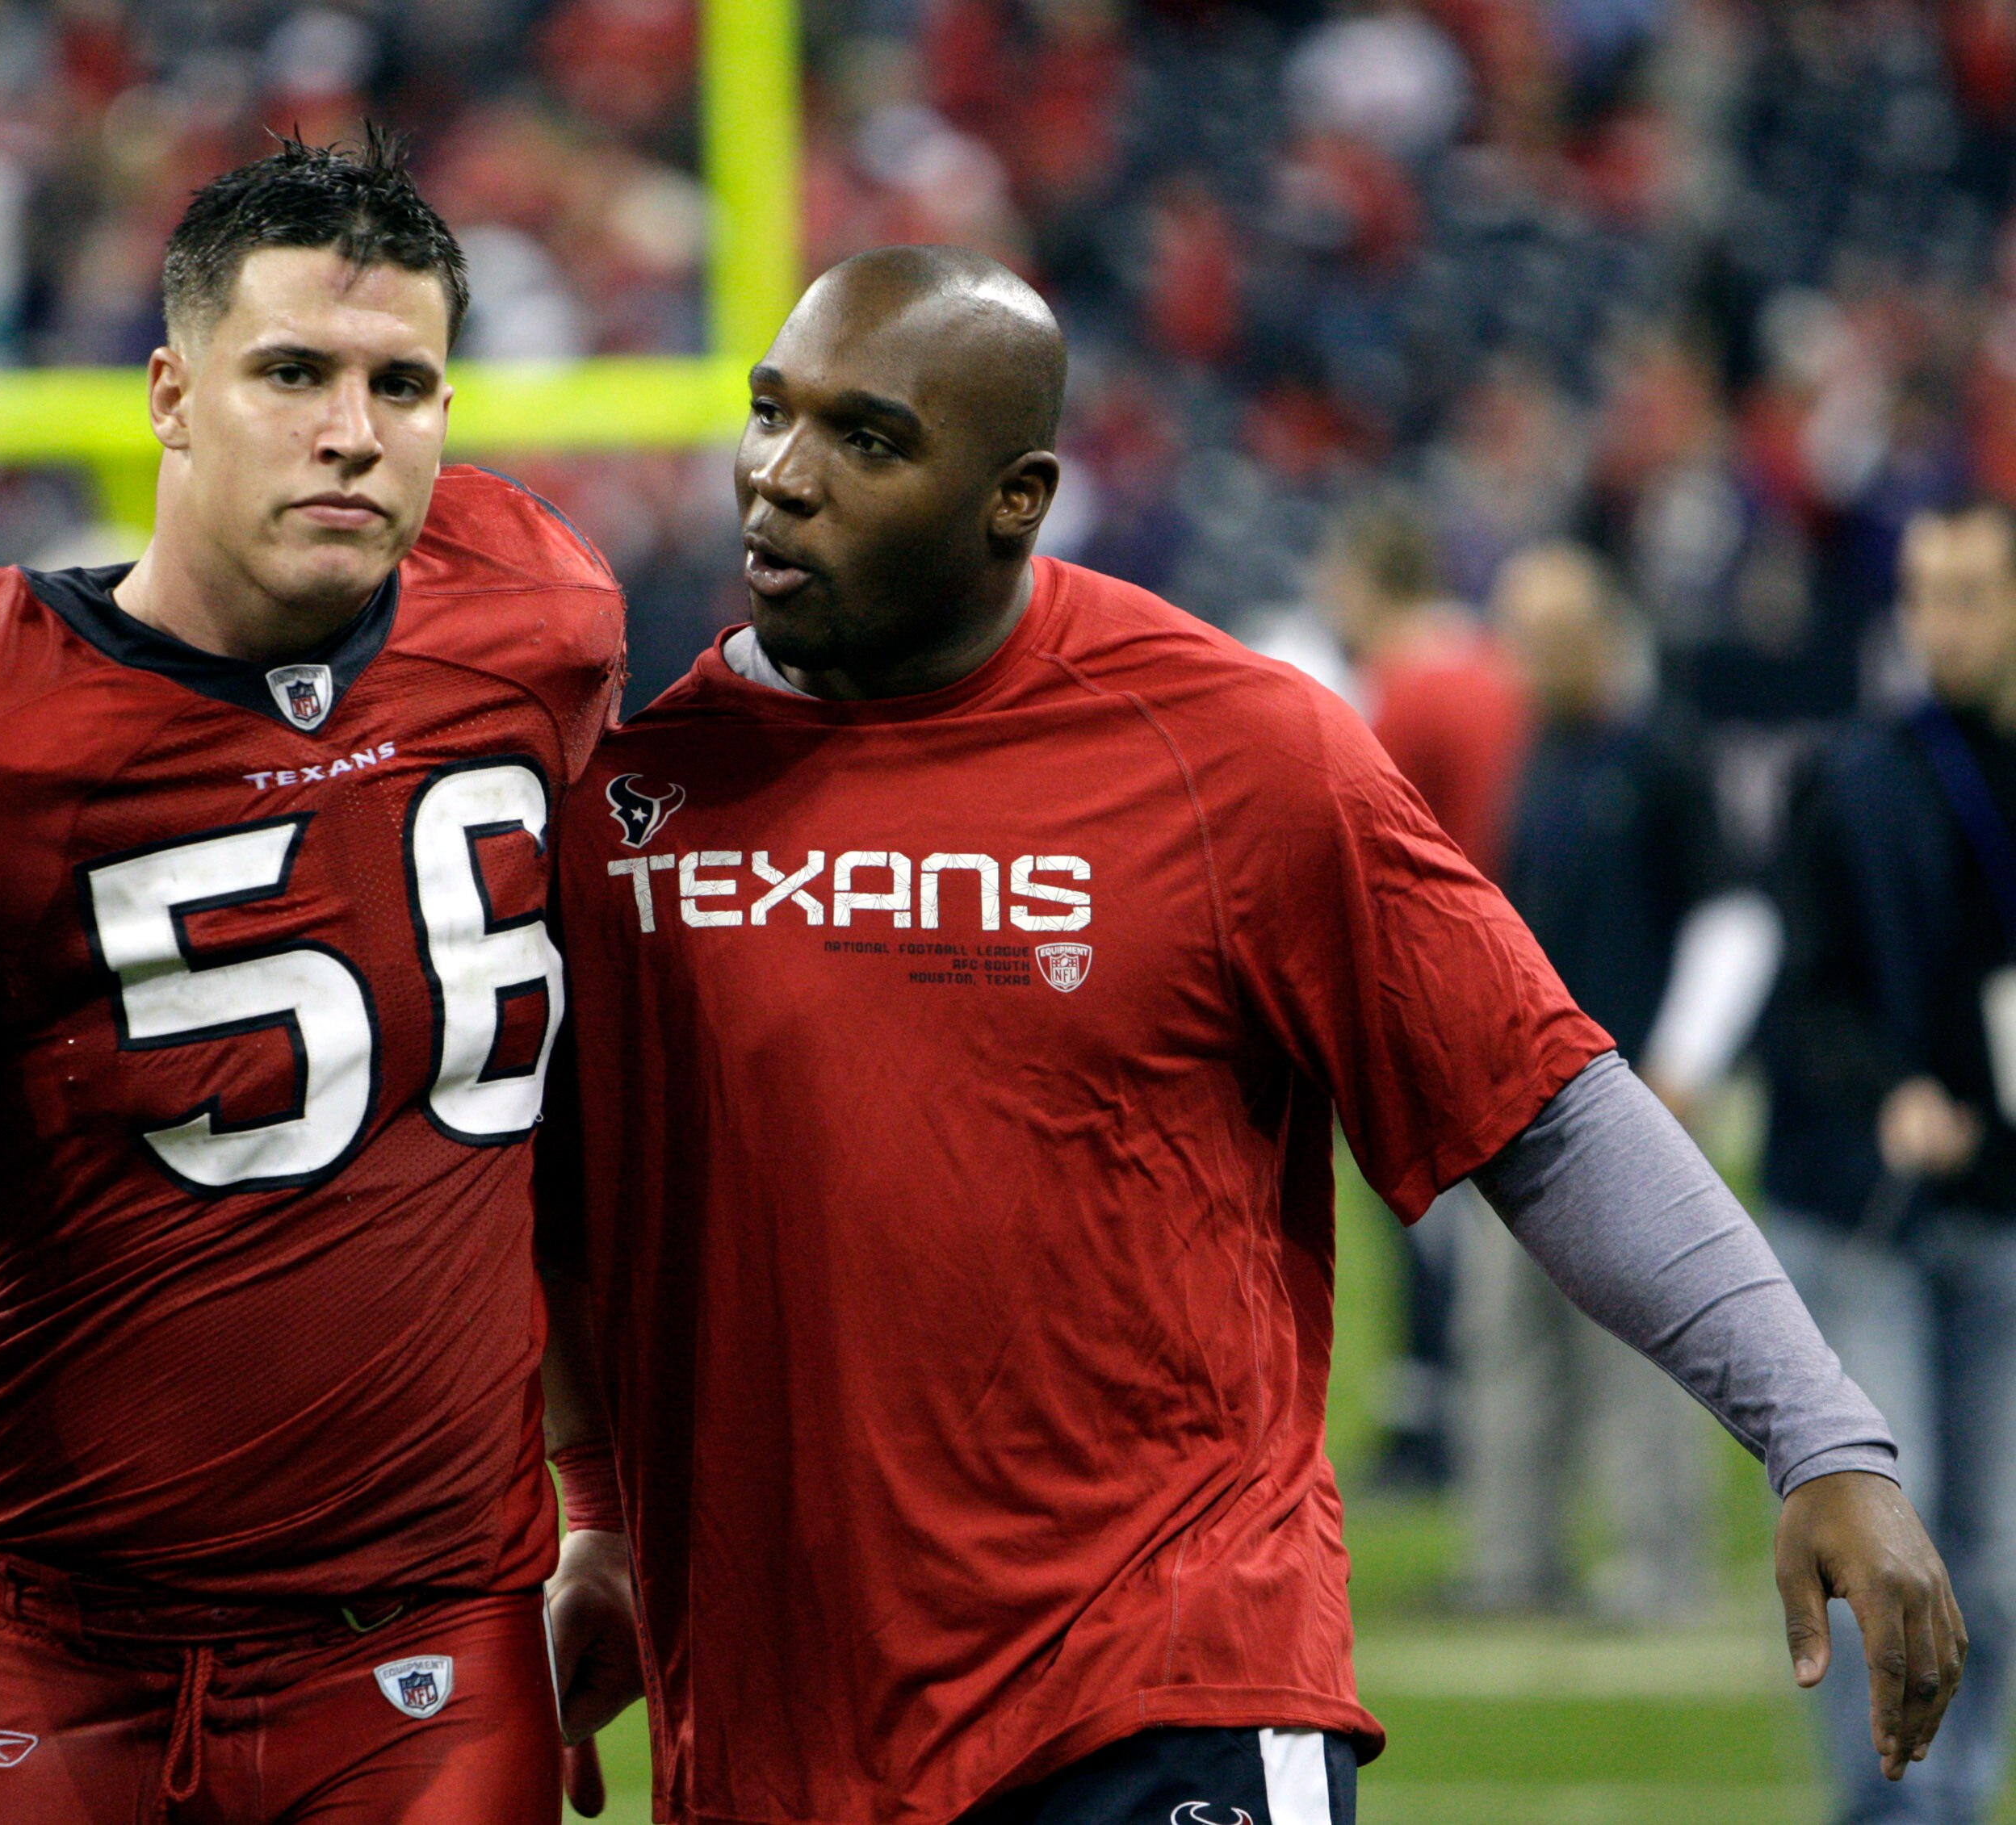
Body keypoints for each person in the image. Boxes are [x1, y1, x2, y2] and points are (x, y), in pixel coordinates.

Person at [534, 246, 1961, 1825]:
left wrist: (1821, 1431)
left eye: (866, 439)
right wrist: (600, 1522)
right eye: (768, 413)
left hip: (1163, 1697)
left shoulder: (1233, 748)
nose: (781, 479)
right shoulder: (636, 801)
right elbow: (582, 1222)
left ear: (1018, 495)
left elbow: (1544, 1108)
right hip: (773, 1734)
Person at [0, 135, 631, 1825]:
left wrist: (604, 1506)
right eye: (291, 369)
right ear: (170, 392)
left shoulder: (534, 629)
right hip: (61, 1656)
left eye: (403, 382)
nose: (352, 429)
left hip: (429, 1649)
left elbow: (557, 1123)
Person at [1459, 540, 1781, 1618]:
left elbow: (1736, 915)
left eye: (1546, 636)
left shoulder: (1663, 755)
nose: (1528, 658)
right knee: (1507, 1345)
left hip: (1624, 1101)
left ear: (1598, 632)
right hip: (1517, 1101)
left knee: (1639, 1344)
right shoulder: (1540, 753)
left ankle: (1658, 1566)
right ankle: (1515, 1562)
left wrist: (1685, 1064)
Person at [1764, 498, 2016, 1825]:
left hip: (2000, 1208)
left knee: (2000, 1554)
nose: (1944, 622)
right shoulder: (1850, 777)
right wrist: (1891, 1093)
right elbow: (1800, 995)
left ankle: (1955, 1802)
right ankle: (1892, 1815)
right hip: (1863, 1210)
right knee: (1889, 1538)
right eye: (1925, 592)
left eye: (1972, 592)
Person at [1319, 495, 1530, 1490]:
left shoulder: (1404, 689)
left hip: (1434, 984)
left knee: (1426, 1232)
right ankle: (1463, 1424)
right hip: (1513, 963)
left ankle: (1436, 1433)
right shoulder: (1492, 667)